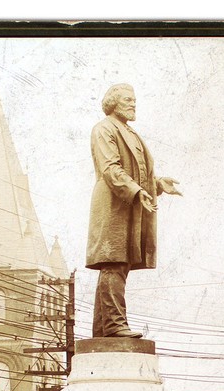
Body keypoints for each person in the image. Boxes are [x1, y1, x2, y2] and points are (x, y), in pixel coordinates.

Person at [86, 83, 181, 338]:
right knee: (113, 262)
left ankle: (103, 331)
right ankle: (115, 326)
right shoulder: (104, 128)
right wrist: (137, 191)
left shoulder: (130, 132)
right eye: (128, 99)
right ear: (113, 102)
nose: (133, 103)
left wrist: (157, 184)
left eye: (134, 99)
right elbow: (110, 169)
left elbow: (137, 172)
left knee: (119, 264)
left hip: (128, 206)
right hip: (112, 206)